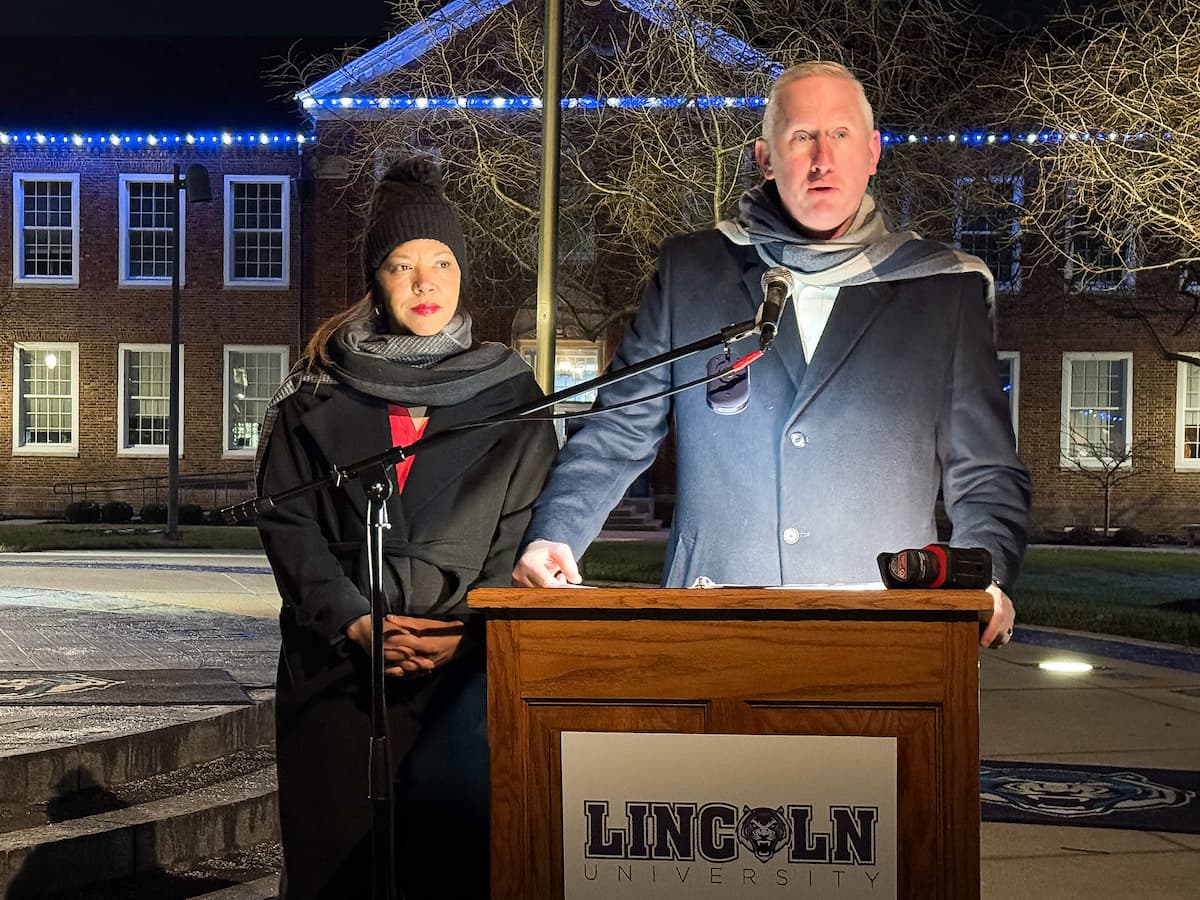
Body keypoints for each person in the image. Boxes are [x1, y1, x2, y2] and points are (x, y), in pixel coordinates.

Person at [513, 61, 1029, 650]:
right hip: (712, 625)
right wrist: (555, 534)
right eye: (801, 136)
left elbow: (984, 468)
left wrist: (983, 572)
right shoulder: (694, 271)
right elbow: (620, 429)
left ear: (873, 152)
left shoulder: (943, 289)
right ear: (765, 158)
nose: (822, 159)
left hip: (883, 637)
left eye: (840, 135)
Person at [255, 157, 559, 899]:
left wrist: (470, 629)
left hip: (461, 685)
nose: (424, 283)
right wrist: (357, 623)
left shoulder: (512, 394)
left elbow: (525, 527)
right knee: (339, 876)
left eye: (441, 262)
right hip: (337, 680)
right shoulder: (313, 395)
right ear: (376, 280)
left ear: (462, 273)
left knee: (450, 873)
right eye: (401, 265)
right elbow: (289, 525)